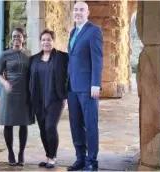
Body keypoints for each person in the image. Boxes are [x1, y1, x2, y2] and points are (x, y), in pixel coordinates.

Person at [67, 2, 103, 171]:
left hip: (88, 87)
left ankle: (91, 162)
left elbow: (97, 59)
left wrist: (96, 84)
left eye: (81, 9)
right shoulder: (73, 32)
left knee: (90, 124)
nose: (78, 12)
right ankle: (80, 158)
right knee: (75, 124)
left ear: (88, 12)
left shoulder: (94, 31)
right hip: (72, 88)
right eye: (76, 9)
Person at [29, 29, 68, 168]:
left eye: (49, 39)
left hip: (55, 98)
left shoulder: (62, 57)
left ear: (53, 41)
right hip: (38, 99)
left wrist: (66, 94)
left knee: (50, 127)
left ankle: (53, 158)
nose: (46, 42)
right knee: (42, 129)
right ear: (41, 42)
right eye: (43, 40)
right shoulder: (33, 59)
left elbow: (69, 75)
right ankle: (48, 156)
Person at [0, 28, 34, 166]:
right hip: (9, 93)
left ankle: (21, 154)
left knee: (23, 124)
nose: (16, 39)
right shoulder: (4, 55)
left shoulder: (29, 55)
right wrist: (5, 83)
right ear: (11, 39)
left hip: (24, 93)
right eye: (14, 36)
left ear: (23, 38)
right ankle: (11, 152)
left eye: (19, 36)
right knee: (9, 123)